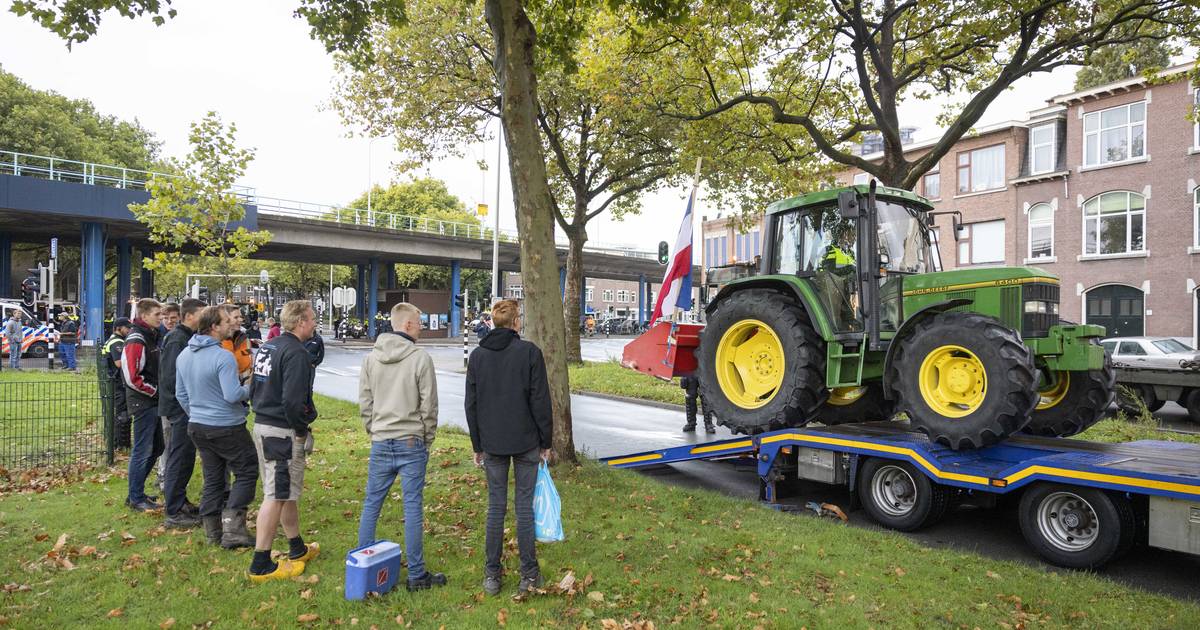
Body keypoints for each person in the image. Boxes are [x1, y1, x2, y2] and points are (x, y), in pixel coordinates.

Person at [465, 299, 553, 596]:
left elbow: (471, 405)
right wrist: (546, 441)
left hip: (492, 442)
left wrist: (477, 443)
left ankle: (492, 575)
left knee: (495, 508)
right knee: (524, 508)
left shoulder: (477, 357)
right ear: (517, 322)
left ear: (492, 322)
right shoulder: (529, 352)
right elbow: (540, 401)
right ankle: (528, 574)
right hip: (526, 440)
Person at [357, 302, 447, 591]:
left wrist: (374, 429)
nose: (421, 327)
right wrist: (427, 438)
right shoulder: (420, 358)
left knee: (372, 503)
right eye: (419, 322)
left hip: (381, 439)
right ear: (407, 325)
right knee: (412, 507)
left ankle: (363, 563)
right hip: (411, 440)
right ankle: (417, 574)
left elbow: (365, 401)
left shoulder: (371, 358)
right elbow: (429, 405)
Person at [246, 300, 320, 582]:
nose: (315, 323)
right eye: (312, 318)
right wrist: (301, 428)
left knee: (285, 489)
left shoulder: (269, 346)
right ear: (301, 321)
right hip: (281, 432)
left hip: (264, 424)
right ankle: (261, 563)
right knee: (275, 495)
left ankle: (296, 547)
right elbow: (293, 401)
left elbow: (253, 385)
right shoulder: (296, 353)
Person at [176, 306, 258, 549]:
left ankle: (213, 531)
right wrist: (253, 388)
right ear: (214, 327)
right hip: (227, 425)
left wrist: (197, 413)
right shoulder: (222, 356)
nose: (230, 325)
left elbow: (181, 394)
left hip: (198, 425)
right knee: (246, 471)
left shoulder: (184, 355)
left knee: (213, 478)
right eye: (225, 321)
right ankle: (233, 529)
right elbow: (232, 394)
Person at [159, 298, 205, 529]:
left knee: (185, 458)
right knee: (179, 457)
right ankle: (174, 510)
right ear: (190, 316)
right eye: (202, 314)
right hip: (179, 409)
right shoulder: (178, 339)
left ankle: (179, 500)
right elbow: (171, 378)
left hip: (184, 407)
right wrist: (185, 405)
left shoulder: (184, 337)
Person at [122, 298, 164, 512]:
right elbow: (132, 377)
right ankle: (136, 497)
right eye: (157, 314)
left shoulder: (151, 336)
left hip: (151, 401)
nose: (161, 317)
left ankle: (136, 492)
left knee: (157, 446)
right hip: (144, 402)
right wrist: (156, 392)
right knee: (142, 449)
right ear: (144, 315)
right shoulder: (137, 339)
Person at [103, 318, 133, 449]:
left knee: (120, 413)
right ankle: (120, 444)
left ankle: (118, 442)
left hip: (113, 382)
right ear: (118, 328)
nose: (129, 330)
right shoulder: (117, 342)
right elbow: (119, 363)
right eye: (127, 328)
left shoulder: (113, 339)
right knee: (122, 414)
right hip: (118, 383)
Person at [219, 304, 253, 381]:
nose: (241, 320)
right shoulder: (217, 341)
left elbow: (250, 361)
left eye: (240, 317)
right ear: (224, 319)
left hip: (246, 388)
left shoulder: (245, 340)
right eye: (236, 317)